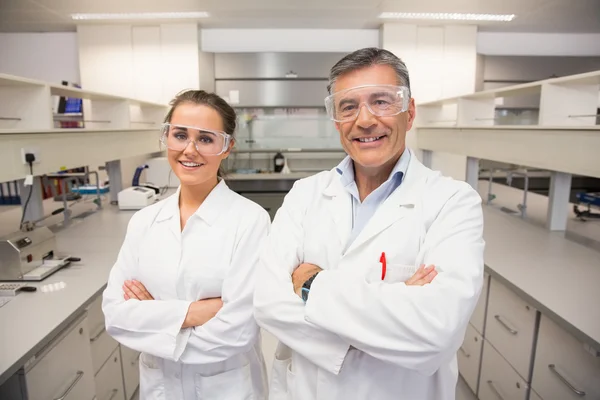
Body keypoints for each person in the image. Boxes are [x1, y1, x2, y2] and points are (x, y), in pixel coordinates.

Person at [253, 47, 485, 400]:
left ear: (409, 112)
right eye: (348, 106)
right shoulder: (305, 194)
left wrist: (310, 284)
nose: (364, 120)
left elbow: (435, 334)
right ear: (336, 120)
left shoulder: (453, 201)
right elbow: (268, 302)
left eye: (382, 101)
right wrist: (393, 308)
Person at [102, 90, 270, 400]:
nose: (189, 150)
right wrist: (194, 313)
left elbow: (238, 332)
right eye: (180, 135)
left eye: (206, 139)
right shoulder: (144, 221)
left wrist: (154, 318)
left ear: (227, 146)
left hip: (228, 389)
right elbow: (116, 316)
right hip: (160, 389)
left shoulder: (250, 221)